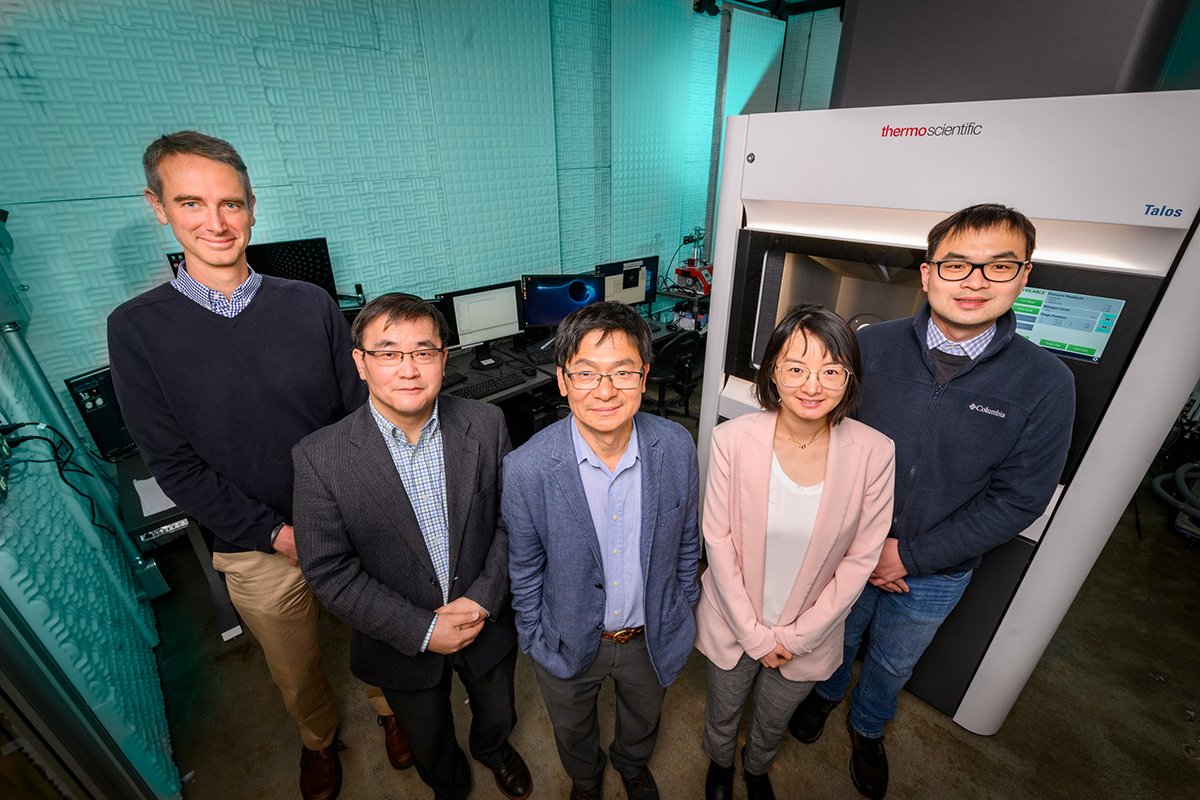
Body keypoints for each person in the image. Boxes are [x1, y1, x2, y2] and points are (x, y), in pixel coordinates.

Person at [108, 131, 409, 800]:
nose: (215, 222)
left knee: (380, 635)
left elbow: (356, 417)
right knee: (295, 667)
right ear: (157, 206)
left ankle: (394, 713)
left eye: (231, 203)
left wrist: (353, 512)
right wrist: (277, 535)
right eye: (191, 202)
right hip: (255, 546)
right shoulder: (136, 329)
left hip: (347, 525)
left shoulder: (309, 305)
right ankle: (320, 743)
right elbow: (174, 464)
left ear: (253, 207)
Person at [787, 203, 1076, 799]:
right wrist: (861, 545)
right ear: (926, 274)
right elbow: (832, 442)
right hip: (845, 549)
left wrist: (908, 556)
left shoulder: (1046, 383)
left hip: (937, 570)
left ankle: (868, 729)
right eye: (956, 264)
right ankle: (823, 696)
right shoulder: (871, 346)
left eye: (998, 266)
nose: (974, 281)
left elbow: (1019, 499)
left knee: (893, 662)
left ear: (1024, 277)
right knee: (833, 639)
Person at [291, 293, 532, 800]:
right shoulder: (319, 458)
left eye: (423, 351)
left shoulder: (485, 425)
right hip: (399, 639)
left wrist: (484, 598)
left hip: (484, 618)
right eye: (387, 352)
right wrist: (421, 629)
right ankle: (449, 783)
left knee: (498, 708)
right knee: (426, 734)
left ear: (444, 359)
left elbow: (515, 521)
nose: (408, 369)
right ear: (360, 362)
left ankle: (493, 750)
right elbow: (329, 572)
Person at [695, 304, 895, 800]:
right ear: (773, 373)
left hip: (812, 630)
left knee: (774, 715)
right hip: (735, 618)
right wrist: (754, 634)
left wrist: (799, 636)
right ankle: (720, 765)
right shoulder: (732, 439)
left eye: (831, 370)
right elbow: (716, 540)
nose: (812, 385)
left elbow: (862, 558)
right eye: (796, 367)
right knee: (723, 707)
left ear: (850, 379)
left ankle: (757, 768)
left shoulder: (875, 452)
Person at [504, 302, 701, 800]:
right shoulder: (526, 468)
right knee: (572, 729)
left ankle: (631, 765)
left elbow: (686, 541)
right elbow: (525, 567)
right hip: (566, 637)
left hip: (650, 632)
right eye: (587, 373)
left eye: (622, 372)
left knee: (643, 716)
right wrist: (533, 636)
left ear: (644, 375)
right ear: (563, 380)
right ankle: (587, 780)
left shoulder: (677, 446)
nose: (606, 390)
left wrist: (682, 604)